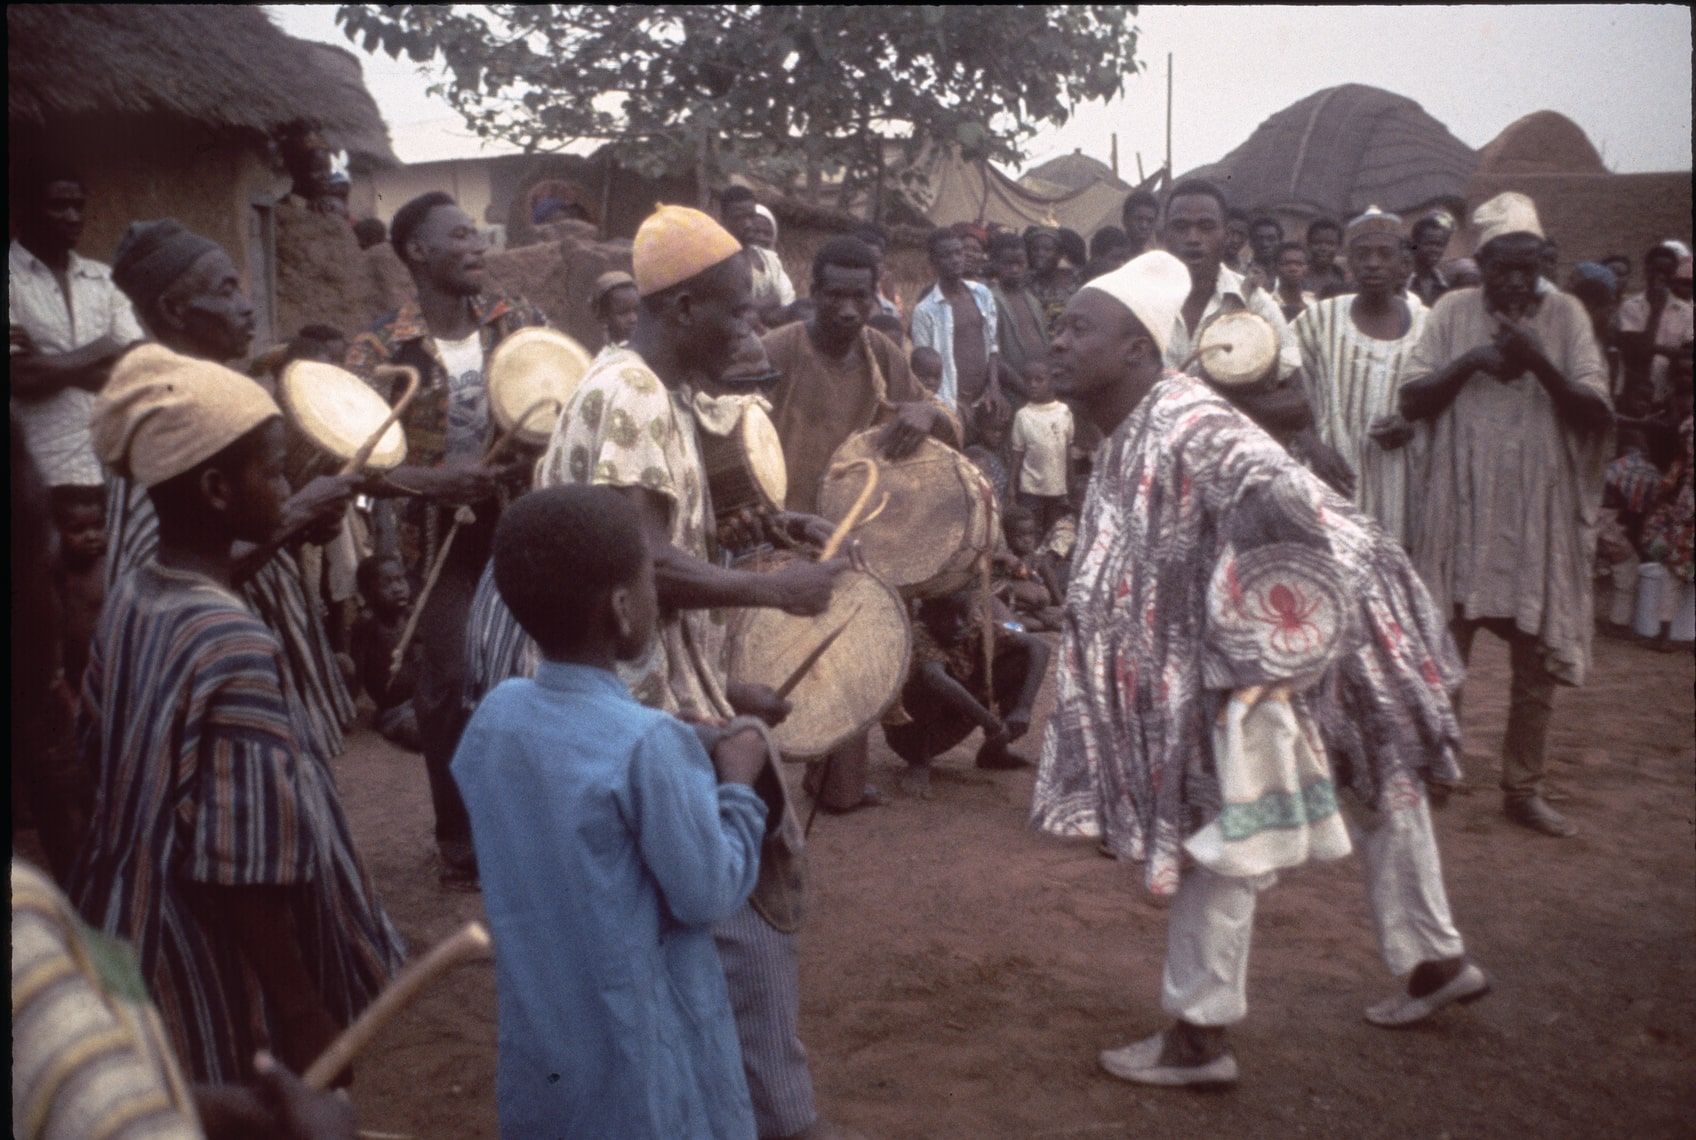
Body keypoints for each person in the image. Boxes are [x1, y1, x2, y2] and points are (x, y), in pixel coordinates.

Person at [1033, 251, 1485, 1089]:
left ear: (1138, 349)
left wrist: (1258, 668)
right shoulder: (1145, 420)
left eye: (1078, 329)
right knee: (1380, 777)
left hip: (1311, 622)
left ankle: (1200, 1036)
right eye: (1058, 327)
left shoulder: (1189, 423)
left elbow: (1279, 506)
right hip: (1326, 617)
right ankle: (1433, 962)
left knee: (1227, 813)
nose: (1057, 344)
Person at [527, 205, 855, 1140]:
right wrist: (778, 594)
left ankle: (736, 1112)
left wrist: (721, 664)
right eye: (739, 315)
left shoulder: (648, 392)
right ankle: (778, 1123)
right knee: (738, 921)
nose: (753, 333)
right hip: (638, 721)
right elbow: (641, 566)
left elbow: (654, 557)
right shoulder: (632, 393)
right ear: (678, 310)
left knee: (685, 945)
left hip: (641, 706)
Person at [75, 346, 403, 1085]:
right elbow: (245, 872)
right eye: (276, 469)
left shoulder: (132, 598)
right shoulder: (233, 640)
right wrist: (302, 1011)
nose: (288, 485)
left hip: (133, 925)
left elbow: (95, 751)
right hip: (212, 958)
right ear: (219, 489)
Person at [452, 486, 767, 1137]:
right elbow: (706, 892)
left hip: (547, 1045)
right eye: (651, 580)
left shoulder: (496, 718)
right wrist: (737, 784)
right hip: (641, 1059)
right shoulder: (650, 745)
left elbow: (573, 766)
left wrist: (678, 737)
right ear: (623, 608)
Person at [345, 190, 549, 884]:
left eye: (477, 235)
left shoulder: (520, 325)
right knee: (454, 677)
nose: (476, 245)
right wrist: (432, 482)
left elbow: (560, 398)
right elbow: (354, 462)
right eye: (458, 236)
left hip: (518, 521)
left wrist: (530, 450)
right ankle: (460, 840)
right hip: (436, 539)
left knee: (531, 672)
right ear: (417, 252)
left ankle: (528, 831)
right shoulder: (378, 350)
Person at [107, 219, 362, 770]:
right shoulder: (167, 424)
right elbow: (174, 582)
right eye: (225, 291)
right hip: (218, 693)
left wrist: (304, 519)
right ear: (174, 311)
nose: (246, 307)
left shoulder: (224, 404)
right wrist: (299, 513)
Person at [1398, 191, 1612, 838]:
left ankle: (1524, 788)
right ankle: (1438, 774)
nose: (1516, 281)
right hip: (1460, 514)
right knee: (1443, 656)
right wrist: (1472, 363)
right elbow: (1412, 399)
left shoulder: (1568, 315)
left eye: (1528, 267)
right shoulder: (1452, 312)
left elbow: (1596, 412)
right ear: (1483, 264)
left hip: (1534, 518)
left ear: (1545, 261)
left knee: (1535, 666)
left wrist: (1538, 363)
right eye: (1502, 267)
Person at [763, 237, 959, 516]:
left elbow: (949, 423)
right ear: (815, 293)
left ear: (874, 296)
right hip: (784, 526)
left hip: (860, 524)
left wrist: (927, 413)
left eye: (860, 298)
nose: (848, 311)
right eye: (835, 296)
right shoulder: (776, 351)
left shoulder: (881, 352)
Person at [1294, 207, 1430, 546]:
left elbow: (1447, 399)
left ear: (1403, 264)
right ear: (1350, 263)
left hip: (1404, 482)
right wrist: (1312, 445)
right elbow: (1284, 381)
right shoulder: (1320, 319)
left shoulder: (1429, 324)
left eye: (1385, 254)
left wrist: (1412, 424)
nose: (1373, 263)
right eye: (1362, 254)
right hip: (1334, 478)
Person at [9, 166, 145, 490]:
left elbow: (137, 367)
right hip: (37, 473)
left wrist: (46, 361)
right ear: (24, 210)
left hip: (109, 466)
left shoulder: (103, 279)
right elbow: (19, 377)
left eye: (79, 206)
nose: (73, 216)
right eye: (59, 205)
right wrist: (105, 347)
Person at [885, 589, 1051, 796]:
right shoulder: (918, 634)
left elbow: (1039, 646)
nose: (957, 625)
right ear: (926, 617)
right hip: (911, 733)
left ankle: (995, 752)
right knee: (924, 682)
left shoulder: (972, 625)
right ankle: (918, 763)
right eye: (946, 617)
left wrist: (1023, 708)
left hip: (960, 713)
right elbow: (935, 678)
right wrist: (990, 722)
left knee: (1021, 658)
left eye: (962, 615)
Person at [1159, 180, 1303, 382]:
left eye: (1206, 227)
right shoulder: (1136, 298)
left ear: (1225, 235)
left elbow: (1294, 382)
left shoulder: (1253, 301)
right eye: (1181, 227)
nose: (1193, 238)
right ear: (1165, 235)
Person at [911, 228, 1007, 423]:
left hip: (984, 402)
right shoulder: (925, 310)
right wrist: (944, 407)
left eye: (958, 252)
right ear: (933, 262)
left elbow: (992, 347)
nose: (955, 259)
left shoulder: (982, 294)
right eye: (946, 255)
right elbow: (923, 367)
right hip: (949, 405)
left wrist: (994, 388)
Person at [349, 554, 422, 751]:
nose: (398, 588)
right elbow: (357, 669)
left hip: (421, 699)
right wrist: (347, 711)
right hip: (394, 710)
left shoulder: (408, 615)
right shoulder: (367, 622)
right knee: (417, 734)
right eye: (387, 583)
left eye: (400, 579)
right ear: (367, 592)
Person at [1618, 243, 1694, 414]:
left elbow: (1686, 356)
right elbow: (1637, 353)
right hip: (1634, 399)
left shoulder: (1686, 312)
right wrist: (1656, 311)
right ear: (1646, 271)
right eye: (1655, 271)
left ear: (1674, 274)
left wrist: (1659, 350)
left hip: (1669, 399)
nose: (1660, 277)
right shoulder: (1630, 307)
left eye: (1666, 272)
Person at [1010, 363, 1074, 535]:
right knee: (1031, 534)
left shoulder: (1064, 412)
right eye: (1028, 380)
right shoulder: (1023, 415)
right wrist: (1011, 489)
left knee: (1054, 534)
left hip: (1058, 490)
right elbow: (1017, 455)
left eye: (1039, 380)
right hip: (1030, 490)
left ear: (1051, 381)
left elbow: (1068, 452)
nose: (1033, 384)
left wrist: (1071, 485)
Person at [987, 230, 1049, 401]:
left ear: (1027, 264)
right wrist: (1024, 389)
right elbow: (994, 355)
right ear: (995, 264)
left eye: (1019, 263)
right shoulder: (990, 300)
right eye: (1007, 264)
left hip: (1040, 389)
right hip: (1013, 392)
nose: (1014, 269)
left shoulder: (1033, 302)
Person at [722, 186, 796, 324]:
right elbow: (731, 309)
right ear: (724, 219)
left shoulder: (769, 258)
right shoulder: (719, 260)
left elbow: (787, 301)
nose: (748, 224)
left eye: (751, 216)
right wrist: (771, 300)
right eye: (740, 218)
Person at [1025, 224, 1080, 334]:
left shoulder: (1076, 279)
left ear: (1059, 254)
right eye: (1035, 249)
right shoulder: (1025, 282)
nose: (1040, 254)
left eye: (1047, 250)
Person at [850, 223, 902, 318]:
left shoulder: (889, 305)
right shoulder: (838, 300)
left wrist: (890, 297)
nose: (871, 266)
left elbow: (892, 328)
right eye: (864, 259)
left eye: (877, 260)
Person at [1406, 212, 1455, 308]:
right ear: (1414, 245)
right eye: (1429, 244)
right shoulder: (1402, 281)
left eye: (1440, 245)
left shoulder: (1444, 284)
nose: (1435, 250)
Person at [591, 269, 640, 350]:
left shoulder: (649, 350)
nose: (633, 319)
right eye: (623, 312)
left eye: (636, 310)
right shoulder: (604, 359)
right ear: (603, 317)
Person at [1305, 217, 1349, 298]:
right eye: (1317, 243)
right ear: (1308, 244)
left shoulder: (1345, 281)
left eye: (1330, 244)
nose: (1323, 248)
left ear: (1339, 247)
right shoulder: (1296, 277)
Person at [1271, 241, 1314, 323]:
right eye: (1286, 264)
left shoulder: (1314, 305)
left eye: (1299, 264)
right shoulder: (1267, 304)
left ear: (1308, 268)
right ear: (1275, 267)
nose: (1293, 268)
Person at [1120, 190, 1161, 260]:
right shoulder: (1108, 258)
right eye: (1139, 219)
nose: (1144, 226)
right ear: (1125, 220)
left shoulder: (1153, 261)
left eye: (1150, 221)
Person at [1246, 215, 1284, 288]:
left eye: (1271, 239)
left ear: (1280, 242)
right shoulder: (1240, 273)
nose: (1265, 244)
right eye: (1259, 239)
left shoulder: (1288, 275)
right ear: (1251, 242)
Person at [1222, 209, 1252, 274]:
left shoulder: (1248, 272)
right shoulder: (1206, 266)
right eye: (1231, 233)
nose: (1235, 240)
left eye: (1241, 235)